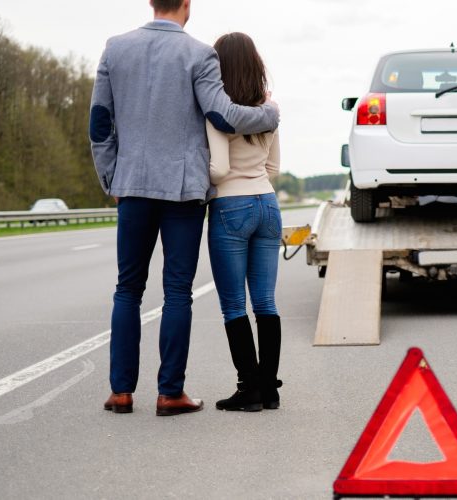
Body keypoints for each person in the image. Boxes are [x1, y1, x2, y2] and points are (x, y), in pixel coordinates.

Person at [89, 0, 279, 417]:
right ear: (187, 5)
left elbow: (100, 123)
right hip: (183, 191)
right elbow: (224, 116)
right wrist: (270, 112)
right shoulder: (198, 54)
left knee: (127, 289)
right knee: (177, 292)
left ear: (151, 2)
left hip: (133, 186)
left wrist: (111, 179)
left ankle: (121, 392)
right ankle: (169, 393)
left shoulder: (115, 48)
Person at [206, 33, 282, 412]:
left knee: (234, 304)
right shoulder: (269, 109)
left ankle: (247, 388)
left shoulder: (218, 113)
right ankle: (269, 389)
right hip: (268, 203)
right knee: (265, 301)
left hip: (230, 206)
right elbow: (274, 168)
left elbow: (218, 169)